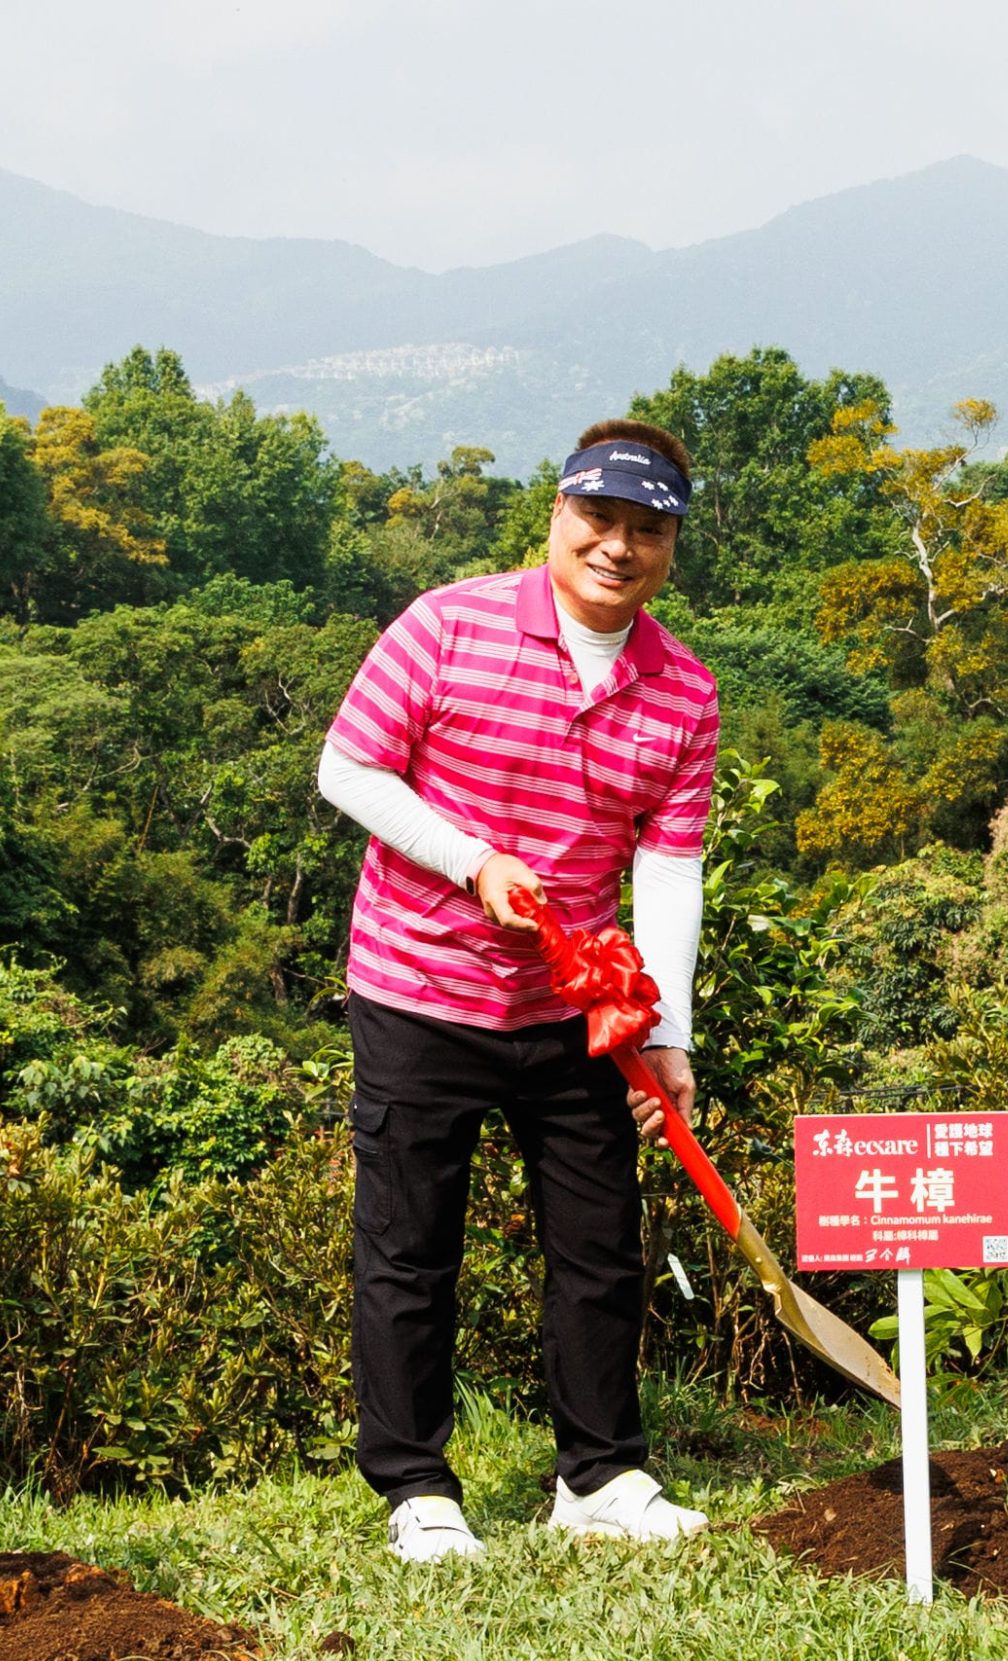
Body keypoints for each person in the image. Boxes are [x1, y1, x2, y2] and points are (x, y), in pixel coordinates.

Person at [318, 420, 719, 1562]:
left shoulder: (682, 689)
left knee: (602, 1245)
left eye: (648, 531)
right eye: (599, 520)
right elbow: (347, 766)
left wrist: (671, 1034)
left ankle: (600, 1475)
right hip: (419, 985)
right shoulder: (446, 624)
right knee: (409, 1247)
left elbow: (667, 865)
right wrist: (470, 859)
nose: (617, 548)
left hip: (577, 1011)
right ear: (558, 512)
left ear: (672, 546)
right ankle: (417, 1490)